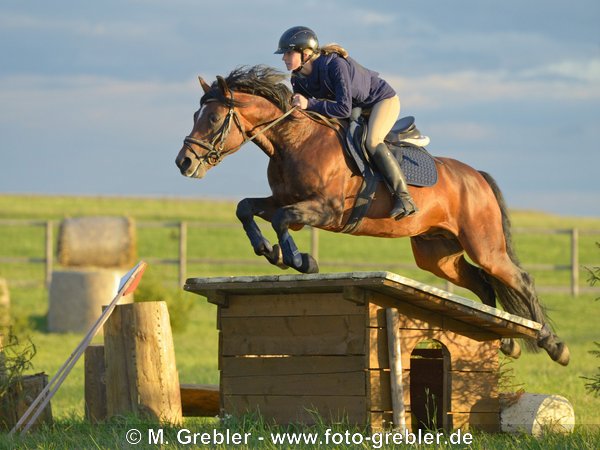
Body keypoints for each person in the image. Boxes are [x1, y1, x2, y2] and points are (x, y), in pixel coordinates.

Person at [275, 26, 417, 219]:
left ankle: (404, 198)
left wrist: (309, 103)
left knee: (372, 141)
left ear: (305, 53)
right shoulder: (298, 79)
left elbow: (343, 109)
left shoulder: (334, 65)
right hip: (355, 107)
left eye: (288, 53)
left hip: (380, 101)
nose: (284, 58)